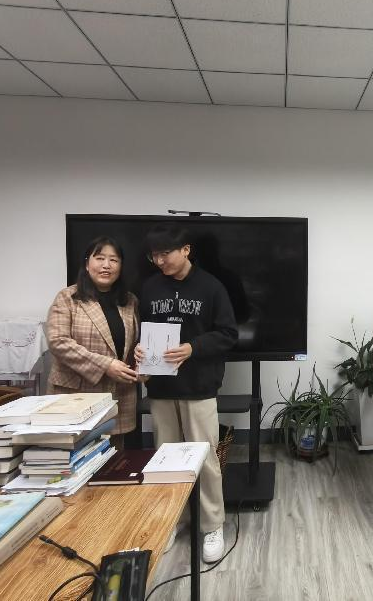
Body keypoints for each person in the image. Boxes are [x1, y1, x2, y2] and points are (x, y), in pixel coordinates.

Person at [135, 225, 238, 564]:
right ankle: (171, 520)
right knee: (164, 458)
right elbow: (141, 332)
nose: (159, 260)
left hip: (199, 387)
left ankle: (212, 525)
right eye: (154, 255)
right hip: (161, 387)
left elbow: (228, 334)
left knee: (205, 459)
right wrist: (139, 351)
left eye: (165, 253)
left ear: (186, 250)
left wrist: (193, 348)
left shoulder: (212, 287)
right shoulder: (149, 287)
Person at [47, 236, 140, 446]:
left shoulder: (129, 301)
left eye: (114, 260)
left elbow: (133, 345)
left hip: (118, 395)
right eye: (100, 258)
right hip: (76, 396)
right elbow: (58, 342)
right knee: (77, 459)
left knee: (116, 459)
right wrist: (105, 365)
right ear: (87, 264)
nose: (106, 265)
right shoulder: (68, 297)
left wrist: (141, 367)